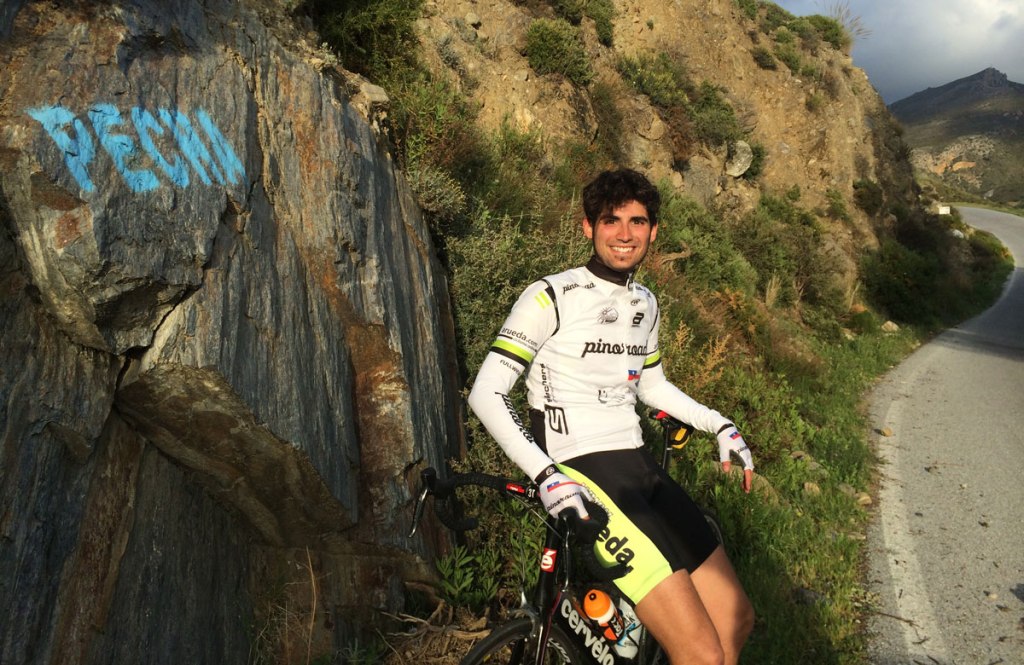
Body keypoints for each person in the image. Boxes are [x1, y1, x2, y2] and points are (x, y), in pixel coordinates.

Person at [467, 168, 755, 665]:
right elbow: (486, 392)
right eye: (611, 220)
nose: (625, 234)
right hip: (583, 471)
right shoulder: (550, 296)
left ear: (653, 232)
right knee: (701, 654)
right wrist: (546, 475)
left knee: (737, 620)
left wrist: (719, 424)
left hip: (639, 466)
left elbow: (651, 385)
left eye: (637, 222)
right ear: (588, 227)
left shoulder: (646, 302)